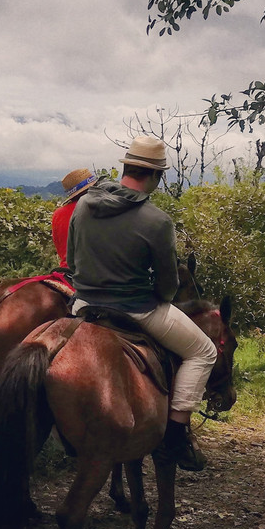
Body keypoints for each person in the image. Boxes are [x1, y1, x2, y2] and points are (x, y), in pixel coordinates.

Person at [66, 136, 217, 471]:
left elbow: (72, 264)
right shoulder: (157, 220)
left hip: (84, 306)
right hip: (136, 309)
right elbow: (167, 287)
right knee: (204, 351)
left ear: (125, 167)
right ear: (156, 176)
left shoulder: (82, 205)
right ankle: (177, 435)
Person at [51, 168, 97, 271]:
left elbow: (60, 248)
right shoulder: (97, 207)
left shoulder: (58, 214)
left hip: (66, 271)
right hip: (93, 271)